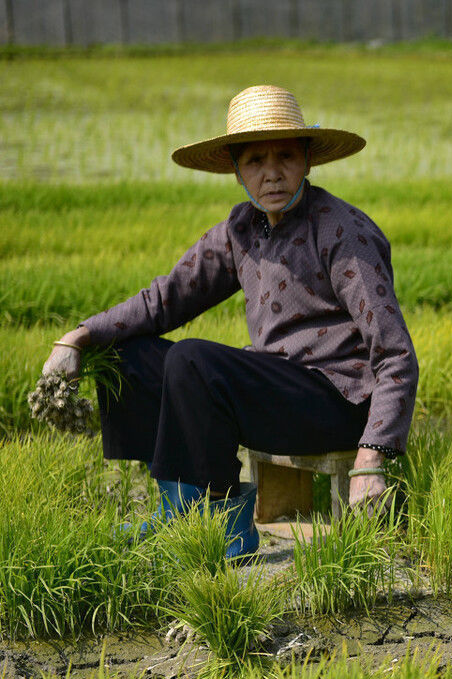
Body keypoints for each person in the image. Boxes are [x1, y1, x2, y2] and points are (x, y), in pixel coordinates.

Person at [41, 85, 418, 559]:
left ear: (307, 160)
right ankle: (177, 510)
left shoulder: (341, 231)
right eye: (256, 161)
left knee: (193, 359)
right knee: (130, 354)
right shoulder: (242, 228)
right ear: (237, 171)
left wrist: (372, 456)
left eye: (285, 156)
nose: (272, 173)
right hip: (275, 388)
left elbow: (395, 353)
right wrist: (79, 336)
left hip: (335, 399)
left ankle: (226, 525)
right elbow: (166, 298)